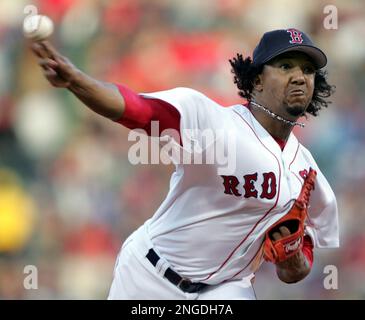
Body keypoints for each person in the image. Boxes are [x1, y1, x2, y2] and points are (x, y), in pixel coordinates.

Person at [30, 28, 339, 300]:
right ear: (257, 80)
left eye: (308, 70)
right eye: (285, 66)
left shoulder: (306, 171)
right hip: (151, 275)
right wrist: (76, 81)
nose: (300, 76)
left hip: (227, 287)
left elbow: (297, 268)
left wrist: (293, 257)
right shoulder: (215, 122)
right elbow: (138, 109)